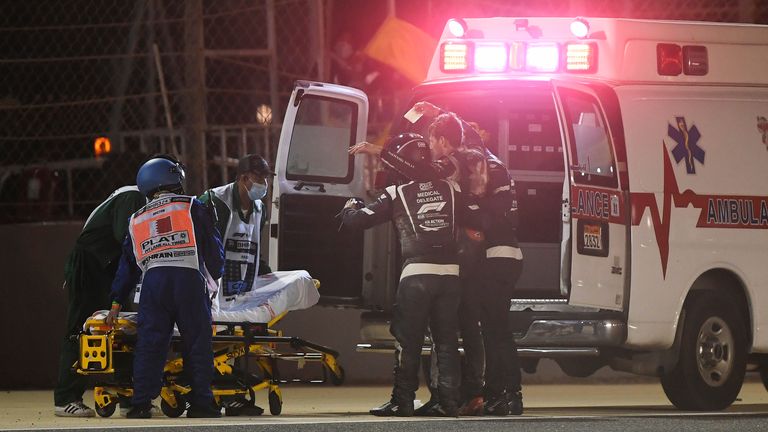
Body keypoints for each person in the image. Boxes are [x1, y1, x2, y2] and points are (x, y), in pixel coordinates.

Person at [351, 102, 525, 415]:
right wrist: (439, 113)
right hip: (497, 256)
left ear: (443, 142)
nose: (429, 149)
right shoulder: (479, 155)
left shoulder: (455, 162)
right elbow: (456, 136)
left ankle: (493, 395)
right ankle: (482, 397)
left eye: (431, 142)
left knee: (482, 330)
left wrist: (381, 150)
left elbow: (420, 171)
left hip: (490, 255)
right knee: (479, 330)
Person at [343, 133, 484, 418]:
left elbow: (357, 222)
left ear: (400, 161)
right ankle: (447, 402)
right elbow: (477, 220)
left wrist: (349, 207)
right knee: (445, 340)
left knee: (408, 341)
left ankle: (402, 400)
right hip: (450, 275)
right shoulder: (452, 187)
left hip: (417, 274)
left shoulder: (396, 192)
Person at [106, 157, 225, 419]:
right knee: (197, 341)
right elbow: (213, 250)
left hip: (154, 283)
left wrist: (116, 302)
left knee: (150, 343)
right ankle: (202, 403)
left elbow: (127, 265)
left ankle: (141, 404)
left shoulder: (136, 218)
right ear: (174, 179)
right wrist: (215, 275)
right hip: (188, 279)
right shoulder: (193, 205)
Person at [53, 183, 147, 417]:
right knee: (80, 328)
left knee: (124, 329)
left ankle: (127, 396)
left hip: (111, 267)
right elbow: (125, 238)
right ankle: (66, 398)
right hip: (91, 264)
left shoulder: (141, 199)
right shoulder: (133, 196)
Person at [199, 154, 273, 297]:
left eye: (266, 179)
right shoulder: (216, 202)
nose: (265, 184)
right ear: (244, 178)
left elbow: (254, 252)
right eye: (259, 178)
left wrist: (270, 277)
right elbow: (202, 250)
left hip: (241, 291)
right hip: (214, 291)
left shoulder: (260, 209)